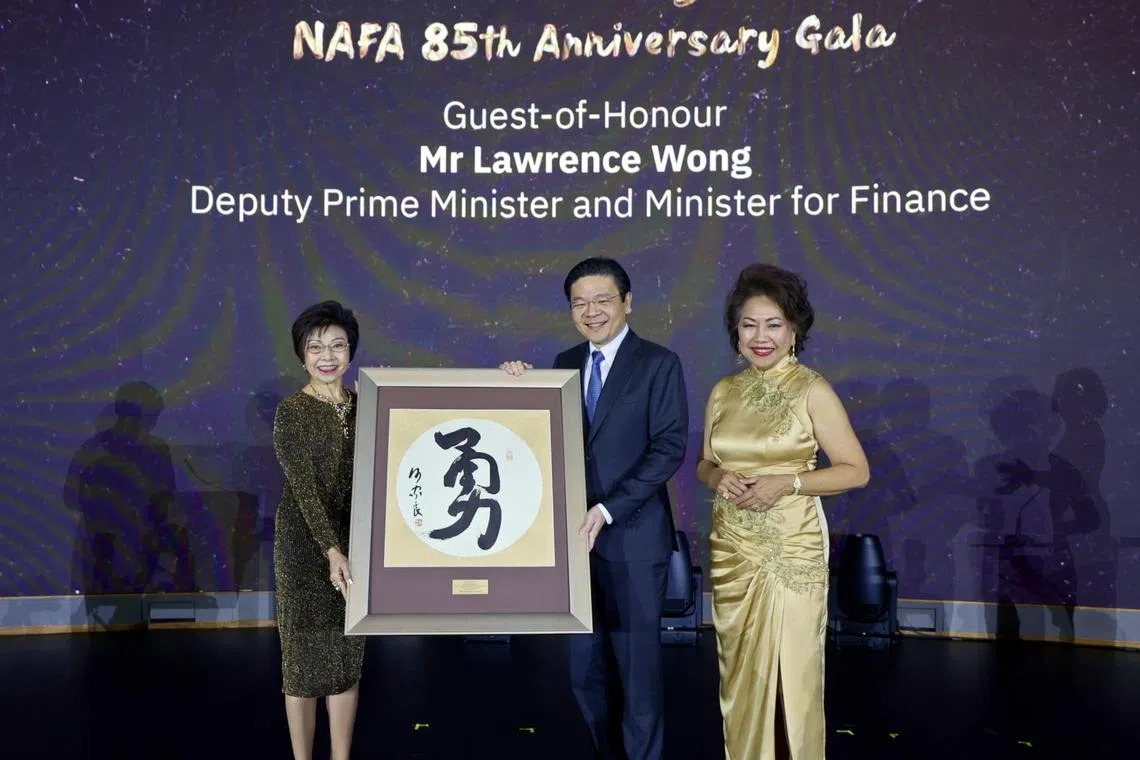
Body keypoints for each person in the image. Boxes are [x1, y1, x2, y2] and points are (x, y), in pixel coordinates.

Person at [502, 257, 688, 760]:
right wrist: (513, 386)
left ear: (627, 302)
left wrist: (606, 508)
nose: (592, 311)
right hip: (573, 546)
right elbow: (540, 436)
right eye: (580, 302)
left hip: (632, 538)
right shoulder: (564, 364)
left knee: (638, 673)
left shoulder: (658, 363)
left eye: (603, 299)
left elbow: (668, 448)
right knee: (585, 673)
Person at [695, 263, 869, 759]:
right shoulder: (723, 392)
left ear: (794, 328)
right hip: (732, 549)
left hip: (790, 551)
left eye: (773, 324)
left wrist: (789, 483)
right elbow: (705, 463)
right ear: (735, 330)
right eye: (749, 325)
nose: (760, 336)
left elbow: (855, 471)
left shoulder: (812, 389)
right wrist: (717, 477)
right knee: (740, 674)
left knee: (792, 675)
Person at [273, 300, 365, 760]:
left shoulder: (366, 406)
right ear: (302, 354)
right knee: (304, 665)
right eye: (315, 347)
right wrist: (331, 550)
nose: (327, 356)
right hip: (306, 548)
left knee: (347, 658)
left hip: (356, 544)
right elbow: (304, 491)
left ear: (351, 352)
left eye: (337, 345)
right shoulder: (292, 411)